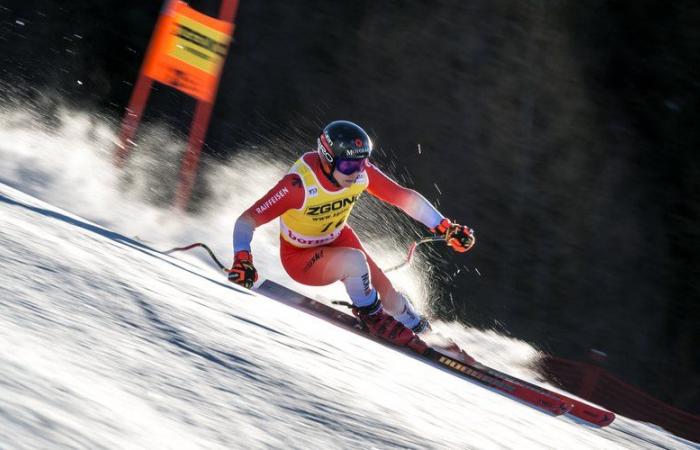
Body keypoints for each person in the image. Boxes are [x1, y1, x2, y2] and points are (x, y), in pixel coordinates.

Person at [228, 120, 475, 352]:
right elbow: (246, 221)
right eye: (348, 166)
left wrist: (444, 227)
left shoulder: (360, 172)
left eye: (361, 164)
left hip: (338, 238)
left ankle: (425, 333)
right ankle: (373, 318)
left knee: (393, 299)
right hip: (301, 257)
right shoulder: (299, 186)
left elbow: (404, 197)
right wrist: (242, 258)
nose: (356, 173)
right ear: (327, 159)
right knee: (355, 262)